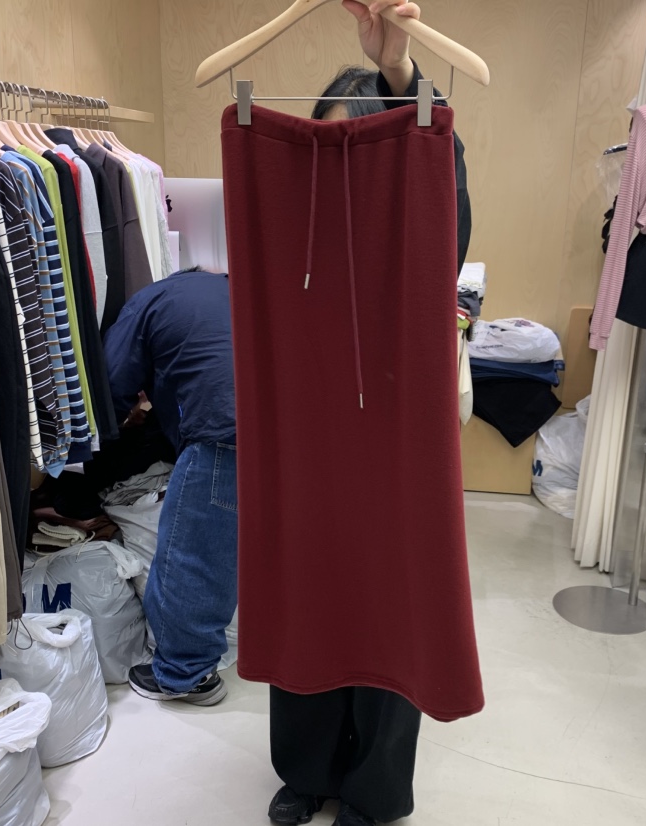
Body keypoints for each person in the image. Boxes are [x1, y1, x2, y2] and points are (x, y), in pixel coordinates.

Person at [266, 2, 472, 825]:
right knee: (311, 586)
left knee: (389, 596)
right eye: (329, 146)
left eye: (362, 146)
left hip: (397, 413)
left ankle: (375, 784)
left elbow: (437, 182)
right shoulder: (297, 222)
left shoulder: (418, 215)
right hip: (313, 414)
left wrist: (397, 75)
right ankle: (306, 767)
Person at [104, 267, 237, 706]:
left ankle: (187, 675)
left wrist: (102, 439)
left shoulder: (149, 302)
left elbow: (113, 382)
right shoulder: (241, 292)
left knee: (192, 556)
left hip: (223, 435)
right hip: (292, 436)